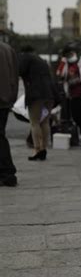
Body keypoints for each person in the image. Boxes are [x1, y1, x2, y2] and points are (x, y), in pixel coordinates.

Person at [18, 45, 55, 160]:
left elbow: (19, 71)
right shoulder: (42, 61)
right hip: (50, 93)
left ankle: (37, 149)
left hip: (36, 94)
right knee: (45, 122)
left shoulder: (26, 58)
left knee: (34, 122)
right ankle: (44, 148)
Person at [0, 41, 19, 187]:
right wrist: (12, 98)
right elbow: (15, 75)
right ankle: (7, 172)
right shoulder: (8, 48)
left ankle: (7, 173)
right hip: (6, 99)